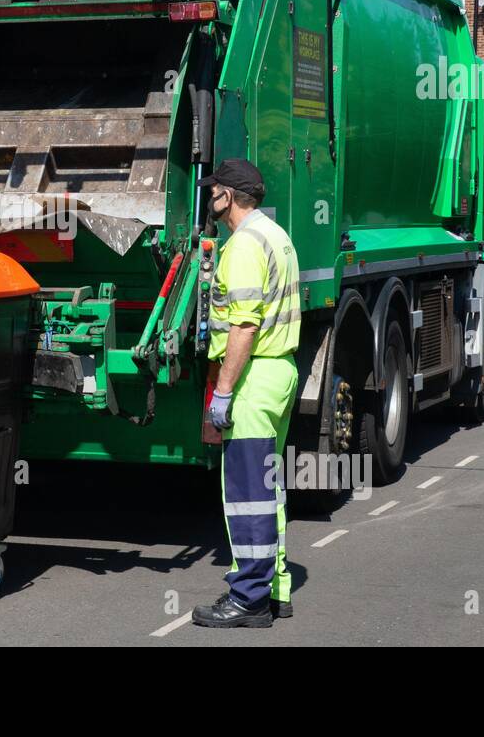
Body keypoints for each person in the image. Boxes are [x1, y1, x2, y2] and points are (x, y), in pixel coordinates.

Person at [191, 159, 301, 629]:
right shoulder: (275, 235)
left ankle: (248, 599)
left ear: (228, 197)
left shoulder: (242, 247)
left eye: (213, 190)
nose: (208, 197)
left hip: (253, 380)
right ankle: (274, 587)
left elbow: (244, 323)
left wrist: (224, 390)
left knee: (248, 492)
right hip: (281, 372)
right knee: (269, 490)